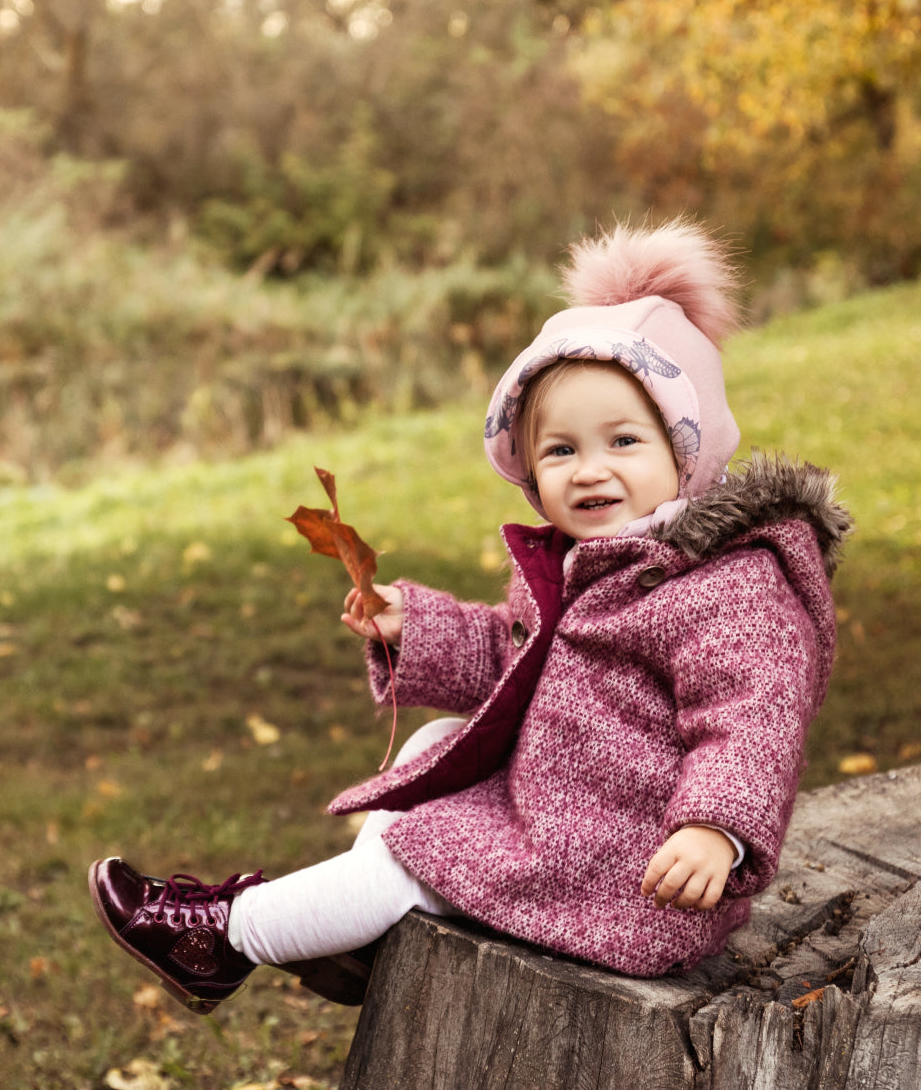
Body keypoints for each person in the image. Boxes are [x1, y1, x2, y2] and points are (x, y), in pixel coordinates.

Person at [88, 218, 852, 1015]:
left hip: (638, 873)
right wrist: (413, 628)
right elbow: (514, 656)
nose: (591, 471)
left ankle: (227, 937)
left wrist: (714, 832)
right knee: (434, 747)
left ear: (686, 455)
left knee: (415, 850)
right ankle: (359, 930)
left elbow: (755, 720)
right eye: (560, 451)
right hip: (576, 810)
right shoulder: (584, 560)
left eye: (623, 441)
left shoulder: (727, 587)